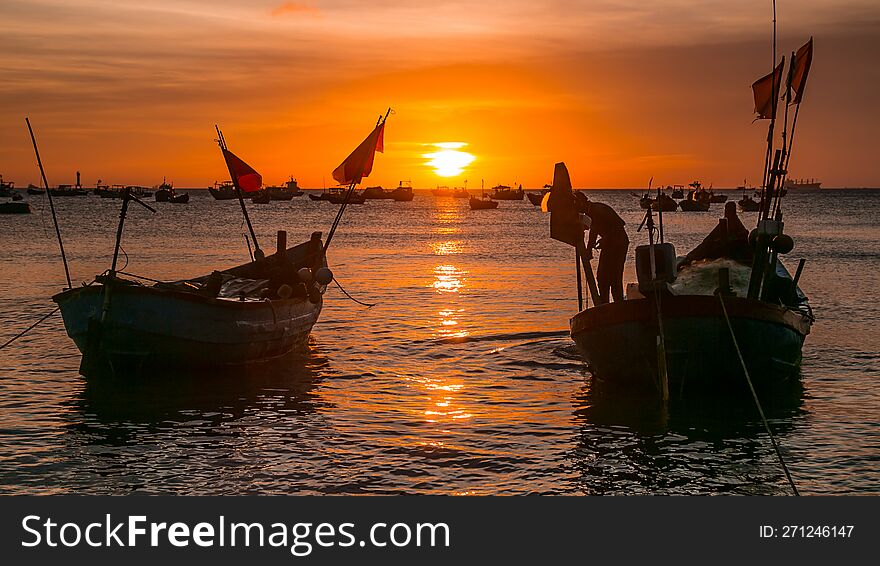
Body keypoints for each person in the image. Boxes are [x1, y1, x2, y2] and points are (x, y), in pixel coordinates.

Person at [575, 193, 629, 304]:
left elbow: (619, 225)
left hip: (619, 244)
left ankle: (617, 304)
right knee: (602, 277)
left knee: (614, 278)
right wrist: (589, 248)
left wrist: (606, 238)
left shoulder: (598, 209)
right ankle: (604, 303)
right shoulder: (591, 212)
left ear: (582, 202)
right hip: (610, 244)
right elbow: (593, 232)